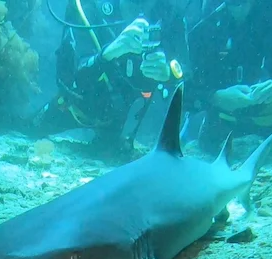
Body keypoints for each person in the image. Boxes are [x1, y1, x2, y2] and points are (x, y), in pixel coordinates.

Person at [30, 0, 188, 157]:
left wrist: (169, 74)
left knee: (116, 151)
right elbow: (71, 82)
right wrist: (108, 54)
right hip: (81, 108)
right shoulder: (87, 7)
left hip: (134, 117)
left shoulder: (171, 15)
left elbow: (193, 84)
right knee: (29, 128)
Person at [184, 0, 272, 155]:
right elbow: (182, 85)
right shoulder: (202, 18)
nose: (239, 7)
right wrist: (215, 97)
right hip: (218, 137)